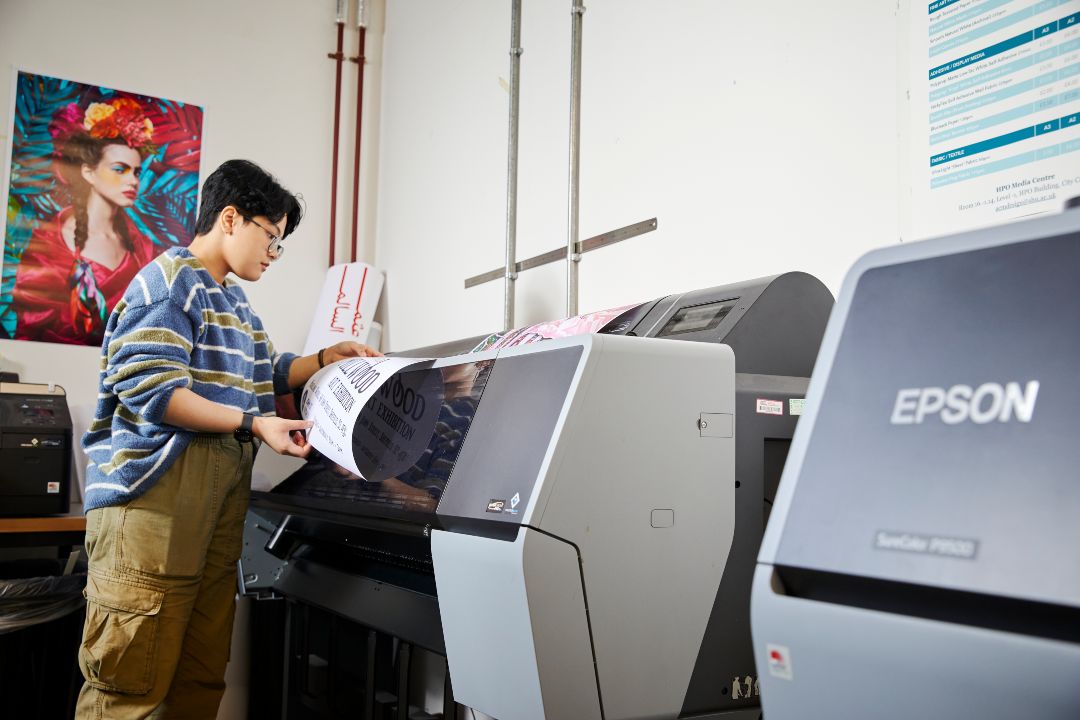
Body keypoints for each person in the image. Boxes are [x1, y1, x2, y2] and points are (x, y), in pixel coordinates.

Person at [77, 159, 380, 718]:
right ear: (232, 218)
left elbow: (262, 372)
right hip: (153, 507)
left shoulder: (234, 301)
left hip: (216, 509)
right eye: (271, 236)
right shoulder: (168, 284)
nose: (273, 252)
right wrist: (251, 422)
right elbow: (156, 391)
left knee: (200, 674)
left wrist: (323, 360)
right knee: (130, 688)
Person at [13, 97, 159, 346]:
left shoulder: (144, 251)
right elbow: (29, 331)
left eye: (136, 172)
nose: (133, 181)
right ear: (88, 172)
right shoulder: (51, 243)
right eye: (119, 169)